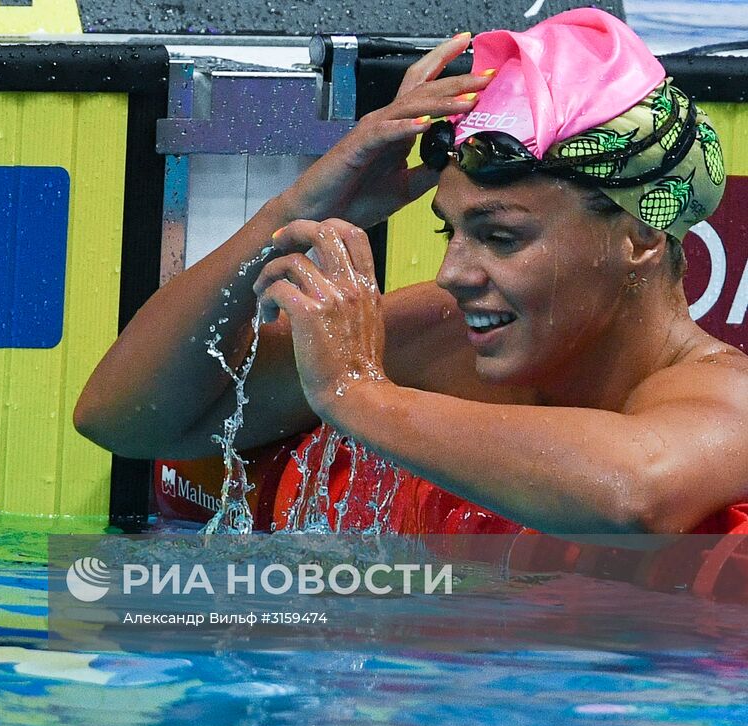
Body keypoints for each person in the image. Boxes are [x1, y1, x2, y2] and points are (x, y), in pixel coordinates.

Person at [74, 9, 748, 535]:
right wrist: (296, 207)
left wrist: (358, 395)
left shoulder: (725, 398)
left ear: (637, 237)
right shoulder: (443, 334)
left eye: (501, 237)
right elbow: (127, 421)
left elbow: (634, 494)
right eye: (448, 229)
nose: (454, 271)